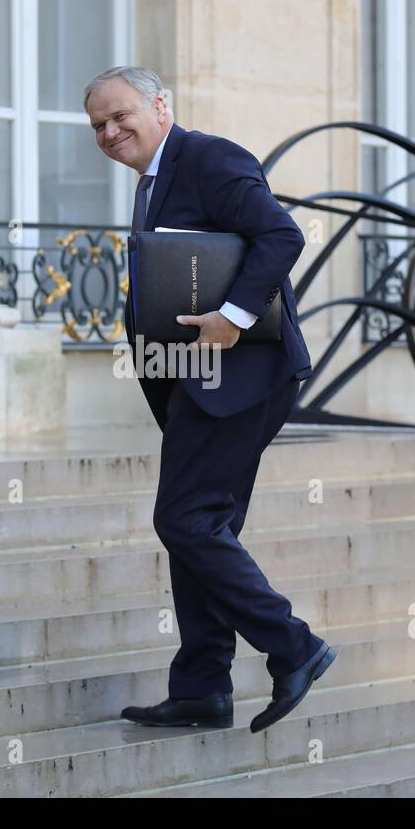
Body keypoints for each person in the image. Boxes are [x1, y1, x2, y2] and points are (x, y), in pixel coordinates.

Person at [83, 65, 336, 734]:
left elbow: (281, 235)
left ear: (160, 106)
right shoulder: (154, 182)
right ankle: (201, 688)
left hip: (238, 379)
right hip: (196, 383)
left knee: (186, 522)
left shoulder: (208, 157)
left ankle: (293, 646)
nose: (109, 132)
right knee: (203, 529)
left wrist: (234, 315)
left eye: (120, 116)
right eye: (98, 126)